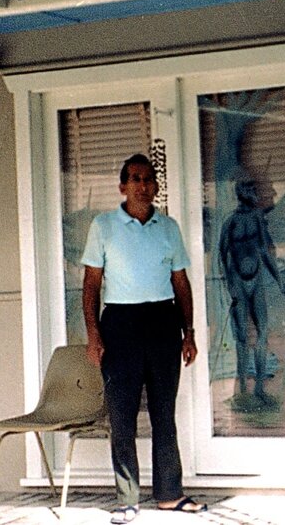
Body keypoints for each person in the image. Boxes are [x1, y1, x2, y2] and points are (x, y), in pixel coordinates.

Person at [82, 154, 204, 523]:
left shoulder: (168, 228)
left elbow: (180, 283)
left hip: (163, 322)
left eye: (149, 179)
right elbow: (91, 284)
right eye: (135, 178)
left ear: (155, 186)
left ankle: (169, 493)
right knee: (123, 414)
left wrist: (189, 333)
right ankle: (127, 498)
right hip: (120, 323)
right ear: (122, 186)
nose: (142, 185)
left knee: (164, 412)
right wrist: (93, 335)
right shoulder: (103, 226)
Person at [218, 178, 285, 406]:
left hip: (257, 280)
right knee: (241, 337)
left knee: (263, 332)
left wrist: (279, 282)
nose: (255, 194)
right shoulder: (230, 223)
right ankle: (242, 390)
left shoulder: (258, 220)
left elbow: (267, 252)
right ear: (241, 192)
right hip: (238, 282)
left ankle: (259, 388)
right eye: (250, 190)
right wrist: (227, 285)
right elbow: (222, 255)